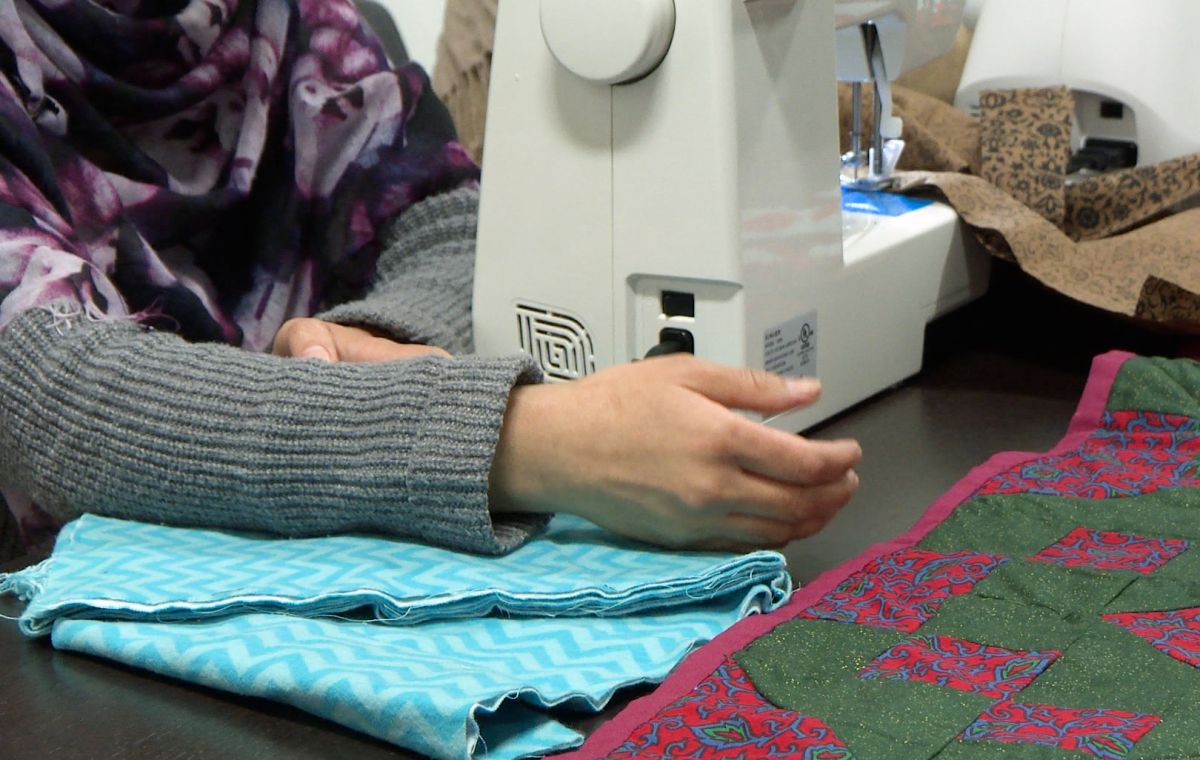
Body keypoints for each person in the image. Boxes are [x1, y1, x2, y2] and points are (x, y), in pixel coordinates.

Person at [0, 0, 860, 558]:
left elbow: (451, 219)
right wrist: (532, 441)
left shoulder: (289, 25)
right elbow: (54, 398)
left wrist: (379, 341)